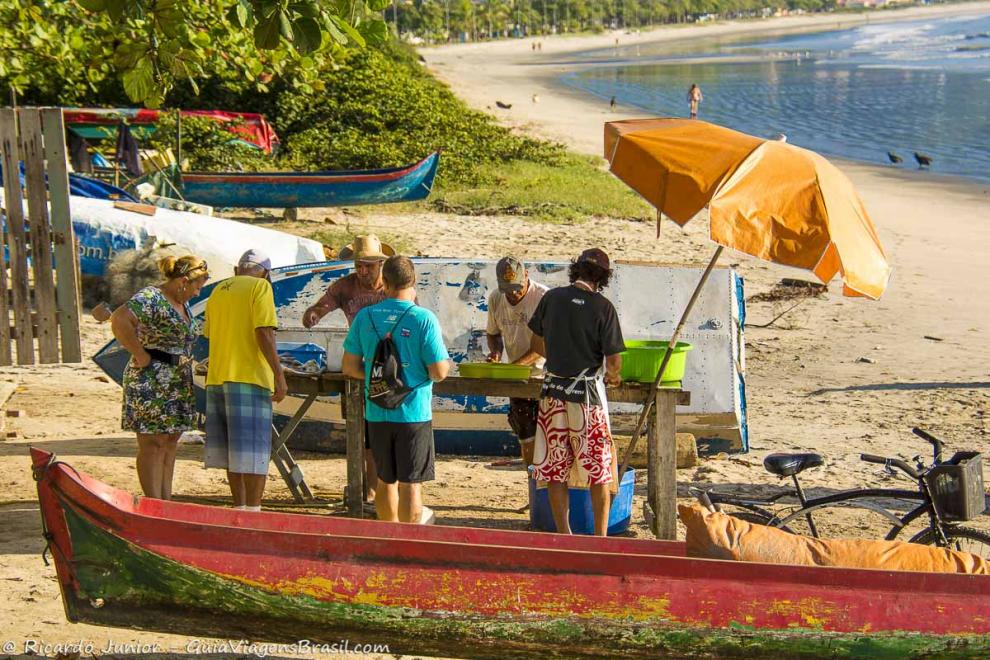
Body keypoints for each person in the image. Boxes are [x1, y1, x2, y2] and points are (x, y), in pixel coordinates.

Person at [342, 256, 450, 524]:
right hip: (413, 413)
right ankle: (408, 543)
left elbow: (349, 366)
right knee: (411, 483)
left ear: (385, 283)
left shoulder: (365, 316)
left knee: (384, 480)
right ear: (413, 281)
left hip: (377, 412)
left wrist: (374, 377)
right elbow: (438, 372)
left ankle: (387, 537)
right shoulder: (423, 318)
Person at [527, 248, 625, 536]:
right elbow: (614, 361)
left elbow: (535, 344)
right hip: (587, 398)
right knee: (598, 469)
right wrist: (613, 376)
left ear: (575, 269)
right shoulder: (603, 307)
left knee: (556, 467)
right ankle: (601, 536)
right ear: (603, 278)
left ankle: (564, 534)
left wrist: (559, 359)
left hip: (553, 392)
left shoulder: (551, 298)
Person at [302, 234, 395, 501]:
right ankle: (368, 486)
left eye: (368, 265)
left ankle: (381, 486)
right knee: (361, 430)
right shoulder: (345, 286)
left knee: (385, 430)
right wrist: (314, 313)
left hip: (389, 367)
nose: (363, 271)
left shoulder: (391, 288)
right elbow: (323, 305)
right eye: (359, 266)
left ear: (380, 265)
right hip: (358, 364)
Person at [111, 255, 209, 500]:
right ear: (184, 281)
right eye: (197, 287)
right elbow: (120, 319)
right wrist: (140, 354)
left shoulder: (181, 304)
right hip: (151, 378)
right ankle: (154, 501)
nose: (198, 293)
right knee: (153, 442)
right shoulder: (151, 297)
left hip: (176, 379)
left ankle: (165, 500)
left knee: (170, 441)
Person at [203, 249, 288, 512]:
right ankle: (253, 508)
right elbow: (263, 332)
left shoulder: (218, 290)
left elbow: (209, 334)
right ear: (266, 272)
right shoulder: (261, 288)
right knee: (253, 449)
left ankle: (239, 506)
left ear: (238, 268)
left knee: (232, 450)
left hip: (217, 376)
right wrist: (279, 373)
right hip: (249, 376)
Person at [485, 256, 548, 467]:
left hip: (545, 377)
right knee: (526, 436)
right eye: (507, 289)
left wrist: (516, 366)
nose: (513, 293)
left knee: (550, 438)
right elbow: (493, 334)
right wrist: (496, 352)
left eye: (517, 288)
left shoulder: (543, 297)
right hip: (516, 378)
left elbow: (544, 346)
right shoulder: (495, 299)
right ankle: (534, 490)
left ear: (527, 276)